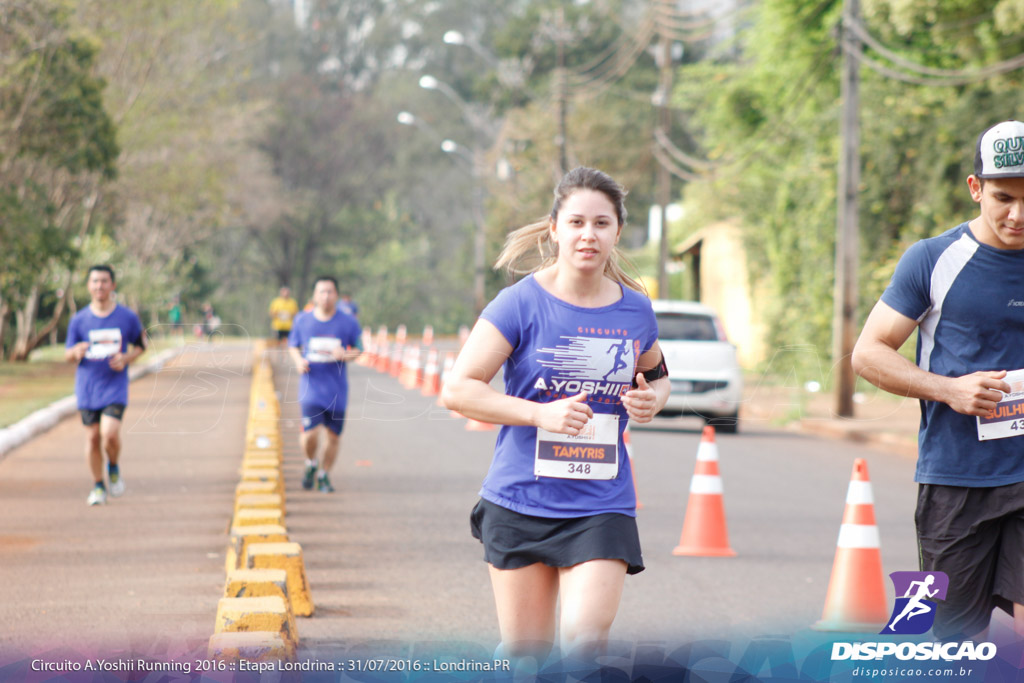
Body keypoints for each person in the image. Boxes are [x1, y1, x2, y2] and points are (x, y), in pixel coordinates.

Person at [440, 167, 670, 666]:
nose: (589, 234)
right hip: (521, 498)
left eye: (602, 224)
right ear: (555, 228)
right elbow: (457, 390)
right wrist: (539, 415)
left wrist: (655, 399)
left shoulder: (636, 310)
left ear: (617, 232)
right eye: (577, 222)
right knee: (528, 658)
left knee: (585, 645)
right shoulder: (519, 303)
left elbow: (656, 374)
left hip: (601, 503)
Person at [852, 120, 1024, 641]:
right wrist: (948, 389)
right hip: (957, 478)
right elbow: (868, 353)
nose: (1017, 214)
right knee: (954, 641)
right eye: (1003, 198)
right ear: (975, 189)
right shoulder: (933, 259)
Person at [65, 265, 147, 506]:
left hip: (115, 386)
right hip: (88, 387)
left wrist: (126, 358)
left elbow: (141, 346)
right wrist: (76, 352)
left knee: (109, 434)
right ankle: (98, 486)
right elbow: (68, 353)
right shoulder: (79, 320)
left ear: (113, 285)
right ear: (89, 286)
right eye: (95, 281)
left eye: (104, 281)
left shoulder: (127, 317)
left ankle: (113, 465)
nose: (99, 286)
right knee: (92, 438)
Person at [288, 276, 362, 493]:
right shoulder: (303, 320)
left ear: (336, 295)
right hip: (311, 387)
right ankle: (311, 462)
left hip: (337, 390)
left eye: (330, 292)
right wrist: (298, 361)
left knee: (333, 436)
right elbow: (293, 345)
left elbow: (359, 349)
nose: (326, 296)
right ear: (314, 295)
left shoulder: (348, 322)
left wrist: (345, 354)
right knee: (310, 433)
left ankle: (324, 474)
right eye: (322, 291)